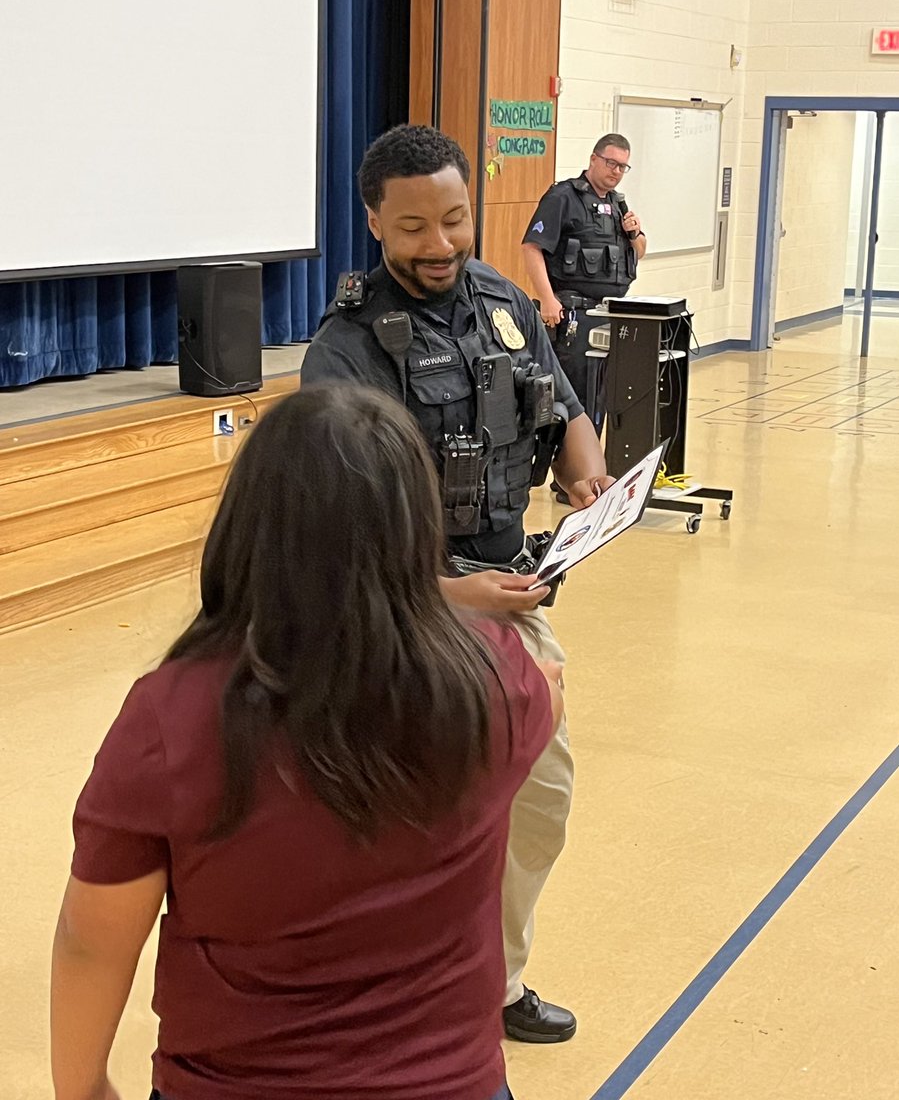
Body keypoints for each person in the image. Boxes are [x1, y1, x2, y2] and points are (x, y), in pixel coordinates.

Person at [51, 385, 564, 1100]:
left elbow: (92, 937)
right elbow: (545, 688)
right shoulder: (500, 684)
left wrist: (81, 1090)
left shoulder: (171, 719)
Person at [301, 124, 615, 1044]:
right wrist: (451, 597)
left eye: (455, 219)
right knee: (408, 825)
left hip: (510, 597)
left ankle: (493, 978)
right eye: (413, 230)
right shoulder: (346, 351)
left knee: (537, 800)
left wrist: (585, 470)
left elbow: (560, 408)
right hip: (398, 614)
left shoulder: (503, 302)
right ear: (373, 226)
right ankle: (398, 1001)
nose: (439, 246)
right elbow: (333, 548)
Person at [521, 134, 646, 502]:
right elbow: (532, 247)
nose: (616, 172)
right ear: (594, 159)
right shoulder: (563, 197)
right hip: (573, 313)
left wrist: (634, 233)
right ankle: (567, 480)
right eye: (611, 163)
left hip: (611, 314)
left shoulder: (618, 205)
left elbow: (639, 251)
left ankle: (589, 477)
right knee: (572, 399)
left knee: (599, 397)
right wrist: (546, 299)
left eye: (623, 166)